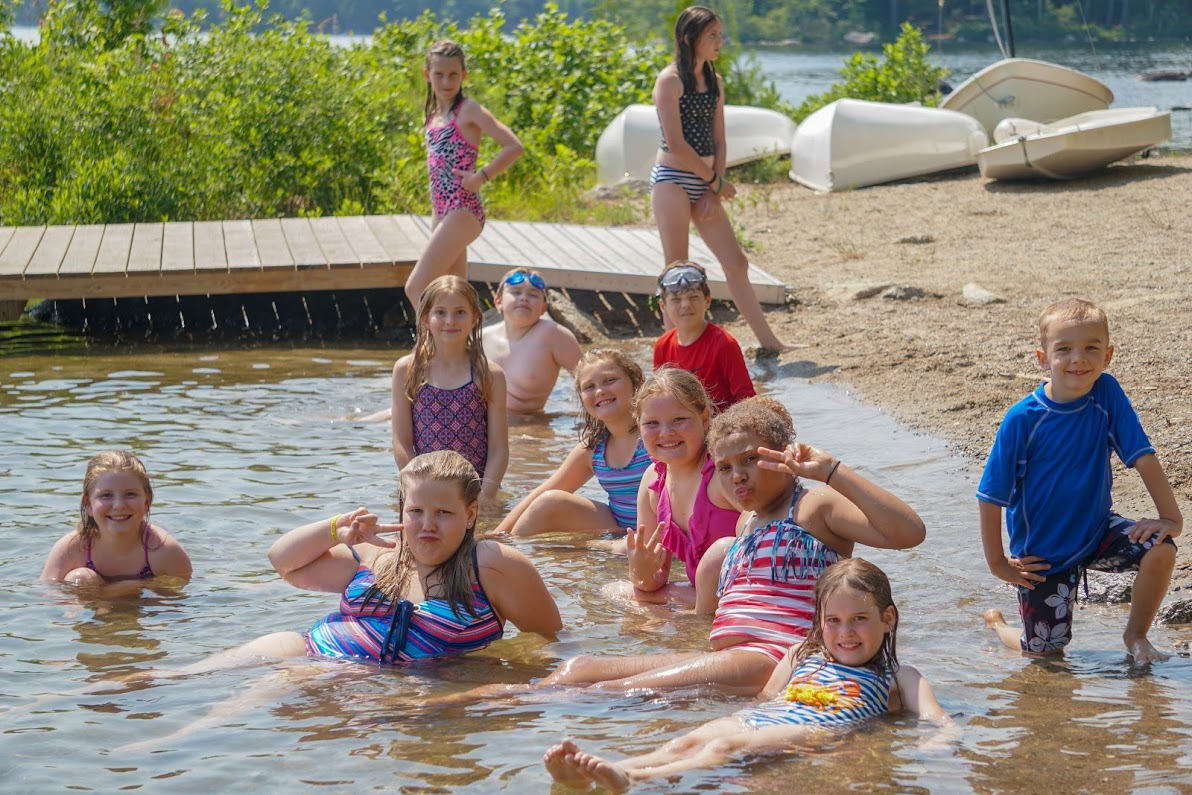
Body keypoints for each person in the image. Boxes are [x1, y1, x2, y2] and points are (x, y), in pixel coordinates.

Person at [539, 396, 925, 694]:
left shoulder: (812, 507)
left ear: (785, 455)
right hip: (729, 658)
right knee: (579, 669)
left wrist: (832, 472)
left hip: (777, 659)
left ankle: (500, 704)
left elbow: (908, 533)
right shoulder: (746, 524)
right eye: (724, 467)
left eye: (751, 460)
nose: (737, 475)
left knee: (611, 691)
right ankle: (490, 703)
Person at [543, 558, 950, 791]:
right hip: (760, 718)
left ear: (887, 618)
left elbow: (937, 720)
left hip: (817, 730)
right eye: (834, 621)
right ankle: (603, 771)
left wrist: (937, 746)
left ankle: (631, 779)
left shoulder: (899, 677)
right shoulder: (800, 654)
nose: (845, 633)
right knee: (691, 739)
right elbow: (766, 700)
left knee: (724, 748)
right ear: (819, 621)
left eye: (860, 619)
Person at [143, 451, 562, 674]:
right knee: (179, 677)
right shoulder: (376, 553)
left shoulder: (491, 564)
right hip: (306, 647)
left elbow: (548, 641)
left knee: (236, 710)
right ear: (401, 509)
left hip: (362, 679)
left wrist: (486, 680)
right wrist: (336, 528)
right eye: (416, 511)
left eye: (444, 513)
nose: (427, 525)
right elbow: (284, 562)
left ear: (470, 515)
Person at [978, 298, 1182, 665]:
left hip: (1097, 530)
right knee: (1044, 652)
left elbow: (1141, 455)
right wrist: (998, 563)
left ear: (1109, 355)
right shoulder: (1022, 420)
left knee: (1161, 548)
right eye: (1064, 349)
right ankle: (998, 627)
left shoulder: (1106, 393)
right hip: (1044, 553)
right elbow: (990, 495)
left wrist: (1170, 518)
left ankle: (1135, 635)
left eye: (1091, 348)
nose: (1079, 359)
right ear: (1043, 359)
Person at [651, 6, 789, 352]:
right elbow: (678, 145)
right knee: (676, 273)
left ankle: (769, 342)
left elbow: (720, 139)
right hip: (672, 180)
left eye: (720, 34)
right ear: (688, 38)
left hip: (707, 181)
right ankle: (674, 355)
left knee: (736, 262)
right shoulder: (670, 80)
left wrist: (715, 187)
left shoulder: (715, 80)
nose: (719, 42)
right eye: (712, 35)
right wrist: (715, 182)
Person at [404, 40, 524, 309]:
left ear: (463, 75)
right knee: (454, 295)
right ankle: (466, 349)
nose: (446, 81)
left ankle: (429, 351)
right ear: (427, 75)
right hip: (443, 213)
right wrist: (437, 219)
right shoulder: (434, 115)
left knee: (416, 287)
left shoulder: (468, 110)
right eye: (439, 74)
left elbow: (514, 146)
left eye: (453, 75)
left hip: (464, 210)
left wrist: (480, 177)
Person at [494, 349, 651, 537]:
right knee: (548, 501)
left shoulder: (656, 433)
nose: (600, 391)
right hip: (620, 527)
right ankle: (507, 554)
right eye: (589, 387)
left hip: (661, 529)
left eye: (610, 380)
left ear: (637, 380)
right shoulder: (594, 448)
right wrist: (499, 535)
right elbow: (544, 492)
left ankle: (602, 546)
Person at [626, 367, 738, 606]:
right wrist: (640, 570)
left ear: (705, 418)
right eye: (652, 423)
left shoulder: (723, 472)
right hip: (706, 597)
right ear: (638, 424)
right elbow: (653, 582)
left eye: (679, 420)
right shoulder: (652, 482)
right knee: (619, 592)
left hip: (750, 595)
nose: (666, 433)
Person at [391, 275, 508, 504]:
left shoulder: (489, 374)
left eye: (460, 312)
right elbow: (401, 441)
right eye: (440, 312)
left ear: (474, 317)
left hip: (474, 489)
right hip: (422, 488)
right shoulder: (408, 370)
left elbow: (499, 449)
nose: (450, 321)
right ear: (425, 318)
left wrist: (485, 497)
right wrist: (416, 488)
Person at [42, 450, 192, 583]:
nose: (119, 505)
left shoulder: (165, 551)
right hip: (91, 611)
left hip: (141, 607)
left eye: (130, 494)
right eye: (106, 495)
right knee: (80, 578)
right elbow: (48, 597)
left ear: (147, 501)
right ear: (88, 505)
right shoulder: (71, 549)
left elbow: (184, 601)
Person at [653, 260, 755, 412]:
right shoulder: (662, 345)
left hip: (719, 427)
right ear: (663, 306)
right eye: (676, 300)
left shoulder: (724, 344)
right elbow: (658, 397)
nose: (686, 305)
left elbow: (746, 399)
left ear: (707, 301)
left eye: (693, 297)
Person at [482, 267, 583, 414]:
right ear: (498, 302)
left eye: (533, 295)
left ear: (543, 307)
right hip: (479, 428)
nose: (524, 298)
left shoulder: (553, 335)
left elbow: (591, 380)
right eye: (516, 292)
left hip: (527, 427)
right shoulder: (480, 337)